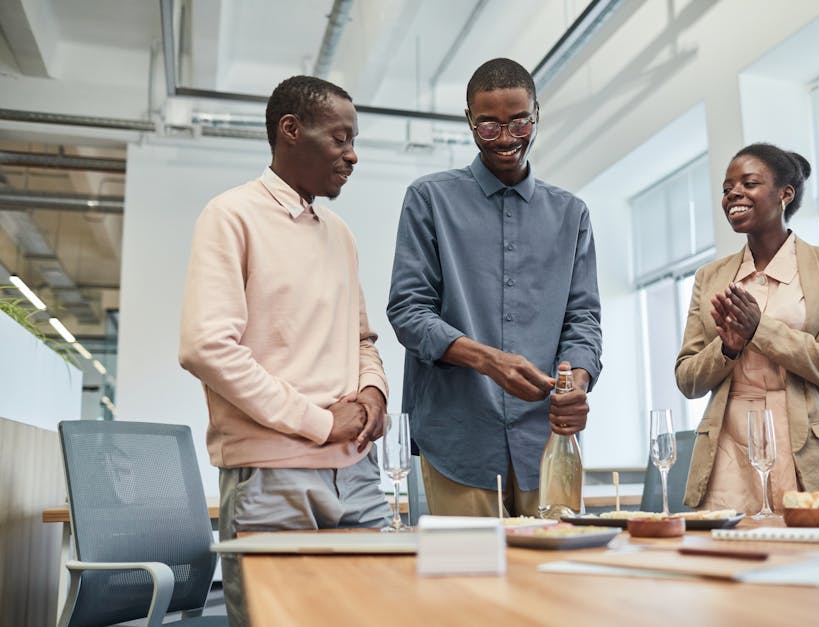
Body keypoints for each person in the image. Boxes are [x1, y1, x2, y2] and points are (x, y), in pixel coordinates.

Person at [179, 75, 391, 626]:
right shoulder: (231, 215)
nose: (353, 154)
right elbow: (206, 348)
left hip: (359, 474)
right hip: (274, 480)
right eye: (341, 138)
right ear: (290, 131)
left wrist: (373, 394)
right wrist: (321, 422)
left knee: (381, 616)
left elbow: (362, 338)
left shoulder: (339, 232)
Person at [386, 58, 602, 517]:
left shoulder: (572, 214)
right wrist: (489, 361)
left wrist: (576, 384)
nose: (506, 139)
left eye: (518, 122)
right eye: (488, 126)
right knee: (467, 582)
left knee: (552, 583)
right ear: (469, 120)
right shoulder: (429, 199)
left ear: (536, 114)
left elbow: (582, 319)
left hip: (549, 440)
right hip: (457, 436)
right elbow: (408, 310)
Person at [675, 143, 819, 517]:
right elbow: (687, 379)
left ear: (785, 193)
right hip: (729, 452)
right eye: (727, 187)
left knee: (816, 566)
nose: (733, 193)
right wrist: (727, 349)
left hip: (811, 453)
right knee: (729, 565)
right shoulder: (709, 277)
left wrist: (760, 331)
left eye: (748, 183)